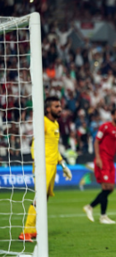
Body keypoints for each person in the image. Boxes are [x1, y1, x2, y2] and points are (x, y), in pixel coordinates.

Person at [19, 97, 73, 242]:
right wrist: (36, 161)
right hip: (43, 165)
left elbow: (53, 148)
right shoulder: (43, 122)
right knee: (39, 198)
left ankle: (34, 229)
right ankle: (26, 232)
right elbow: (35, 142)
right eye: (56, 106)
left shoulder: (54, 123)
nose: (60, 109)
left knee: (45, 198)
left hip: (52, 165)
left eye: (60, 106)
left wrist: (63, 165)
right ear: (48, 109)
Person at [83, 109, 116, 224]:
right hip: (103, 159)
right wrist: (98, 158)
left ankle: (91, 208)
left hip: (111, 161)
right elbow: (96, 142)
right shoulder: (105, 127)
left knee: (110, 188)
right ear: (112, 116)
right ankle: (102, 215)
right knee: (106, 187)